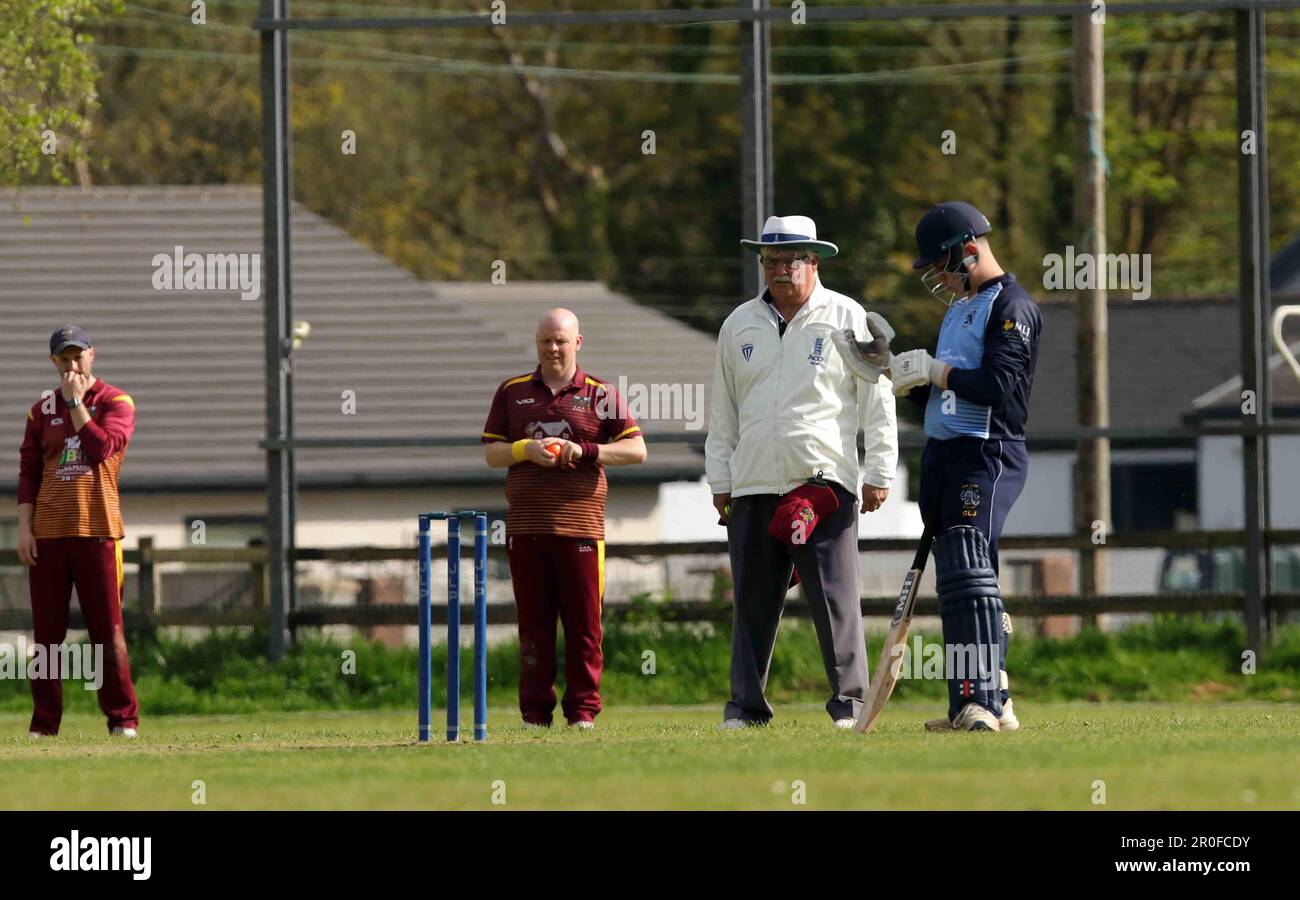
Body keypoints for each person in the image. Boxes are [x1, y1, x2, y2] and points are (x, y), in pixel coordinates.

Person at [847, 201, 1041, 732]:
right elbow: (945, 397)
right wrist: (895, 372)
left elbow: (1000, 390)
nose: (936, 275)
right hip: (946, 455)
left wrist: (935, 370)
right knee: (964, 576)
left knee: (968, 571)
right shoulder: (960, 309)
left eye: (940, 263)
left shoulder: (1012, 306)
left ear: (968, 250)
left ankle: (982, 700)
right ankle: (982, 699)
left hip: (987, 453)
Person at [706, 215, 899, 729]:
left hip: (822, 483)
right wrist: (720, 479)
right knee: (751, 601)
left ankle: (850, 704)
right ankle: (745, 709)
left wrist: (878, 470)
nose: (780, 270)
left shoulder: (847, 316)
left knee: (835, 597)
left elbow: (877, 398)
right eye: (770, 261)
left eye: (791, 260)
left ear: (814, 262)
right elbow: (723, 410)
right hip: (753, 483)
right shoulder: (738, 324)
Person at [481, 308, 647, 729]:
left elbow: (636, 451)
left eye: (560, 341)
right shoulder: (512, 391)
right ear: (537, 344)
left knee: (584, 628)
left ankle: (583, 714)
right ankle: (534, 715)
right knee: (533, 628)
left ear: (578, 342)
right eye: (545, 341)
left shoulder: (600, 392)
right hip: (526, 527)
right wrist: (525, 450)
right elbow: (491, 453)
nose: (552, 349)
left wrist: (585, 451)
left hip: (582, 529)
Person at [18, 326, 141, 738]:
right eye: (64, 359)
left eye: (78, 356)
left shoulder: (116, 401)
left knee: (107, 631)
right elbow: (29, 472)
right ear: (54, 362)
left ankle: (122, 719)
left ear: (92, 355)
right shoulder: (39, 412)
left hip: (99, 530)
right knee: (47, 636)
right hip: (49, 534)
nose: (72, 365)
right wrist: (24, 528)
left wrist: (75, 405)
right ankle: (44, 725)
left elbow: (102, 448)